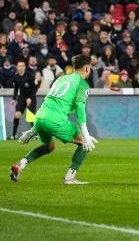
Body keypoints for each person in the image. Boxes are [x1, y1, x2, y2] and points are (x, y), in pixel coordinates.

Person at [11, 55, 98, 185]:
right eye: (90, 67)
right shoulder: (82, 84)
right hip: (55, 120)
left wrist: (33, 129)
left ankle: (21, 164)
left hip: (40, 117)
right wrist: (85, 134)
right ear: (86, 68)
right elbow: (80, 108)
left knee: (49, 146)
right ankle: (70, 178)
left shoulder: (61, 79)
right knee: (85, 143)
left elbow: (50, 100)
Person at [9, 61, 38, 140]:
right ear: (17, 67)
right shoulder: (16, 77)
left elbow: (35, 88)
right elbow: (16, 89)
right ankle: (14, 135)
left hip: (31, 97)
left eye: (22, 66)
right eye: (19, 66)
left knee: (30, 117)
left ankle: (36, 134)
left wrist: (30, 98)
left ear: (25, 67)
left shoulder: (30, 76)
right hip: (21, 97)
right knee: (17, 115)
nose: (21, 67)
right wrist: (14, 99)